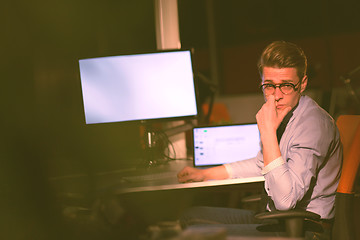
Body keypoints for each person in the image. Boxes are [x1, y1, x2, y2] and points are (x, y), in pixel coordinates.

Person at [177, 41, 342, 239]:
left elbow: (285, 200)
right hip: (277, 218)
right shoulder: (286, 114)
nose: (276, 96)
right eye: (269, 86)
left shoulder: (312, 125)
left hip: (304, 228)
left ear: (303, 83)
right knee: (190, 216)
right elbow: (261, 164)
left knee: (196, 234)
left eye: (287, 86)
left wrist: (268, 132)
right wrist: (206, 174)